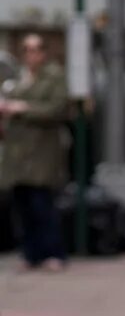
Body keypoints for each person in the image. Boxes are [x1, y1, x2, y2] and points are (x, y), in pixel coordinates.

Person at [0, 33, 69, 271]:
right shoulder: (19, 77)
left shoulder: (53, 77)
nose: (30, 55)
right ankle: (31, 253)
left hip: (41, 151)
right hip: (17, 152)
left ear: (43, 52)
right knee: (23, 205)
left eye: (34, 49)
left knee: (42, 204)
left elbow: (57, 109)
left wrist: (23, 108)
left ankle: (53, 252)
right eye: (26, 50)